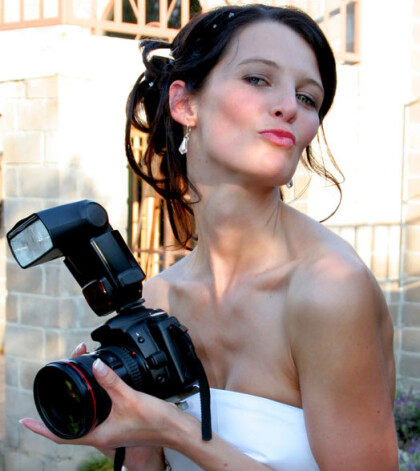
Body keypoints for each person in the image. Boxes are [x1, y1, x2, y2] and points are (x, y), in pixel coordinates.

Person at [20, 4, 399, 470]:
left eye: (307, 97)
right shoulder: (158, 300)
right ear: (185, 104)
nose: (288, 106)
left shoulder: (328, 289)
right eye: (258, 79)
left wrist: (175, 430)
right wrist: (134, 439)